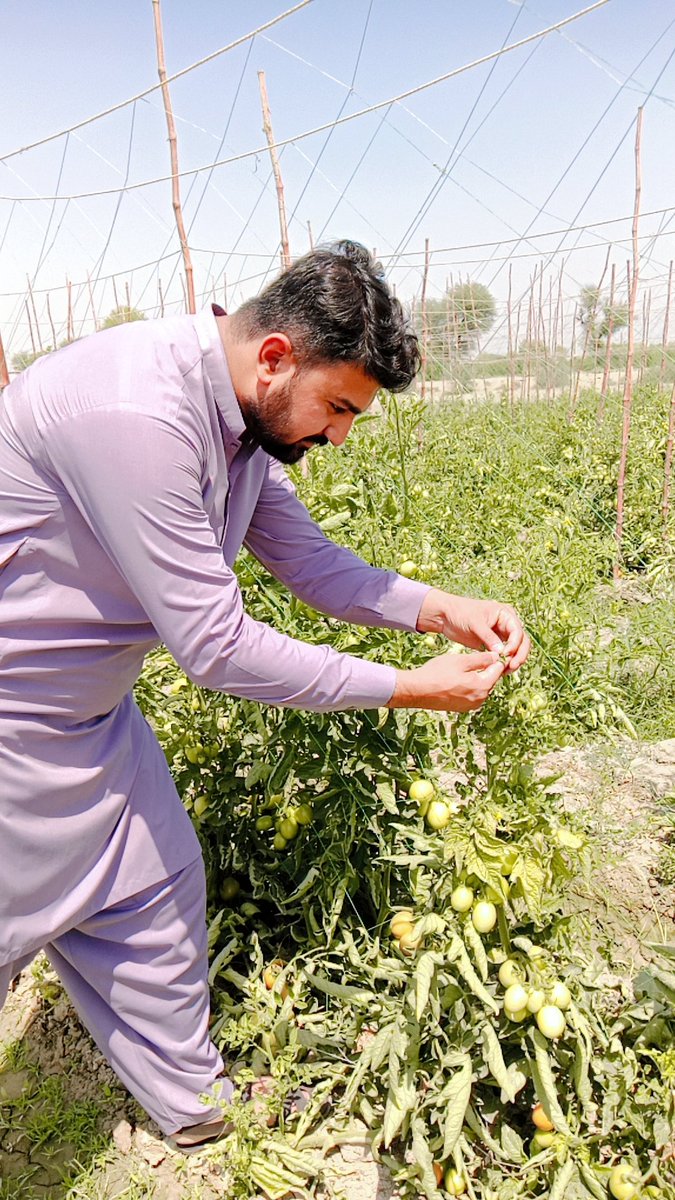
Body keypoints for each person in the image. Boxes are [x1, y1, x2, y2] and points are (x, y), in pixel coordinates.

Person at [0, 240, 529, 1150]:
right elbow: (214, 647)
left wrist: (444, 610)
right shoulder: (139, 414)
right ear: (277, 356)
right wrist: (408, 690)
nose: (340, 435)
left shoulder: (245, 423)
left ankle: (195, 1108)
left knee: (155, 890)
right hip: (11, 727)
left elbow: (312, 565)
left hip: (90, 721)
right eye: (339, 407)